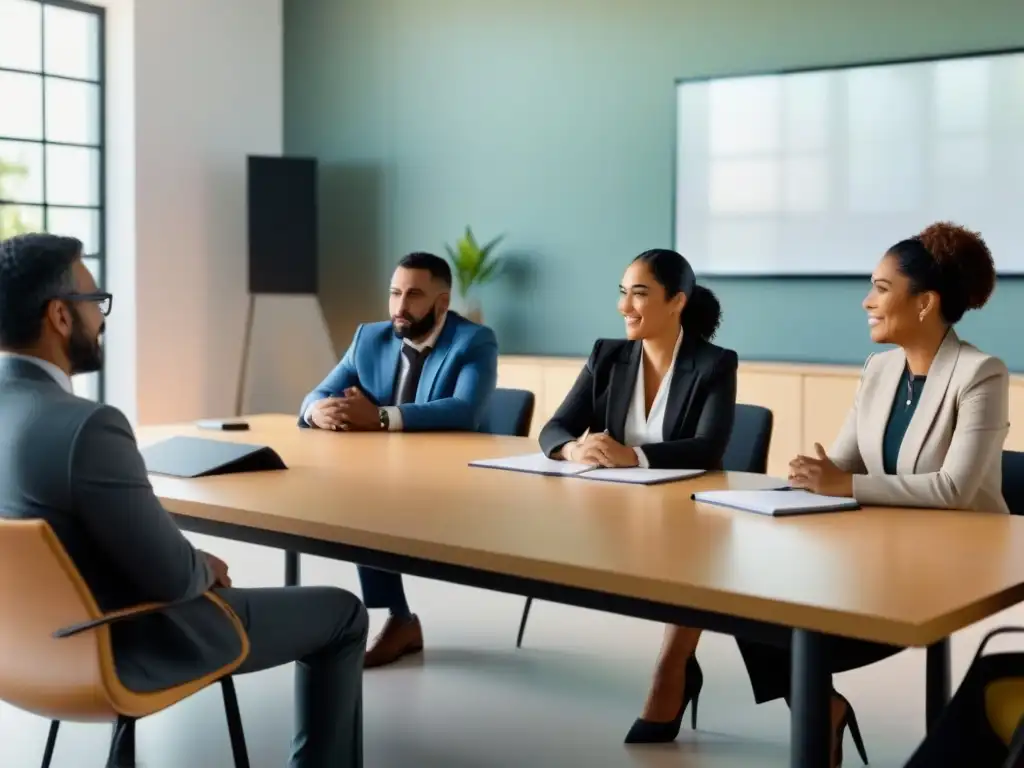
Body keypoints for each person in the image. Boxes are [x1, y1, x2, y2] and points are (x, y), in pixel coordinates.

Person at [0, 233, 368, 768]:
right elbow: (172, 580)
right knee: (343, 613)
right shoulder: (87, 427)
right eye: (94, 303)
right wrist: (199, 564)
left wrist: (185, 562)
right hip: (117, 643)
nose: (101, 319)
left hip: (24, 650)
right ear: (59, 316)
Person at [740, 221, 1008, 768]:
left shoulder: (981, 374)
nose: (867, 300)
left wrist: (845, 484)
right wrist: (808, 476)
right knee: (752, 595)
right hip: (881, 547)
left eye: (882, 288)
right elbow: (842, 462)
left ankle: (818, 707)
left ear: (926, 303)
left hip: (956, 561)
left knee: (797, 623)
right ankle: (823, 706)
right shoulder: (879, 368)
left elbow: (955, 488)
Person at [538, 248, 738, 744]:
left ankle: (671, 666)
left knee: (697, 554)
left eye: (640, 294)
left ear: (677, 302)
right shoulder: (607, 356)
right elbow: (554, 427)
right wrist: (572, 448)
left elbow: (709, 448)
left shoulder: (713, 364)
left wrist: (637, 457)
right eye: (622, 293)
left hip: (689, 512)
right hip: (611, 509)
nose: (625, 305)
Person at [298, 251, 498, 668]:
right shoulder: (368, 338)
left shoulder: (474, 341)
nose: (400, 306)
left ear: (442, 302)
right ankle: (399, 619)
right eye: (394, 293)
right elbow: (316, 394)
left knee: (361, 504)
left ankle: (399, 620)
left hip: (450, 478)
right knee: (357, 498)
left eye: (413, 295)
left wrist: (382, 417)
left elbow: (465, 410)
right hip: (382, 476)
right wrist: (317, 411)